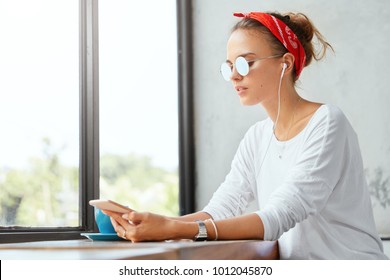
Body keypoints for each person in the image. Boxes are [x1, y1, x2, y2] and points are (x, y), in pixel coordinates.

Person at [104, 11, 388, 259]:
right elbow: (221, 209)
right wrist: (154, 226)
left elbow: (278, 216)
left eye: (245, 63)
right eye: (230, 67)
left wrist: (172, 228)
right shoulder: (257, 137)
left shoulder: (327, 123)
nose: (235, 77)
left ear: (285, 64)